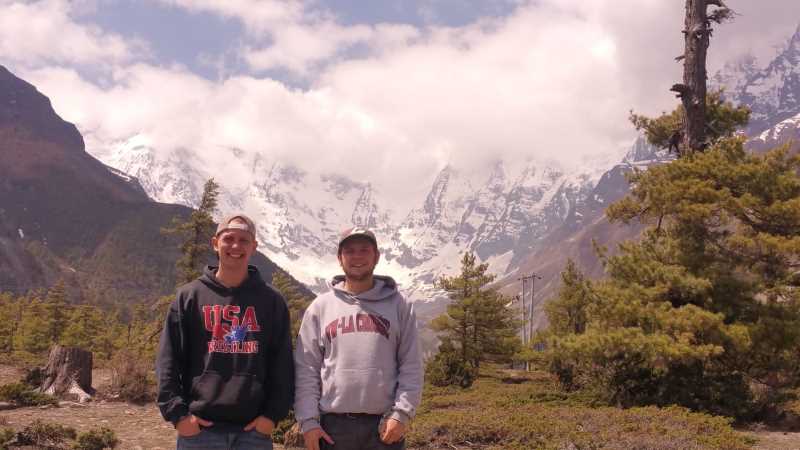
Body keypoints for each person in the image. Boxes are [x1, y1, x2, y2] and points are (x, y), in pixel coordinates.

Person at [156, 214, 294, 450]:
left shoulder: (272, 301)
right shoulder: (190, 296)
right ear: (215, 243)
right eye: (228, 239)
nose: (235, 246)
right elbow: (168, 360)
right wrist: (178, 415)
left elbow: (282, 364)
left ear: (254, 247)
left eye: (244, 240)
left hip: (254, 433)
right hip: (200, 431)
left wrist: (272, 416)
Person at [294, 227, 423, 450]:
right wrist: (308, 421)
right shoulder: (320, 307)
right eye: (350, 251)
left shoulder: (399, 305)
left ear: (376, 256)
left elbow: (411, 365)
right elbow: (306, 369)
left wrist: (402, 414)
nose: (357, 257)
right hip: (332, 428)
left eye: (364, 250)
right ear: (339, 258)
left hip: (384, 427)